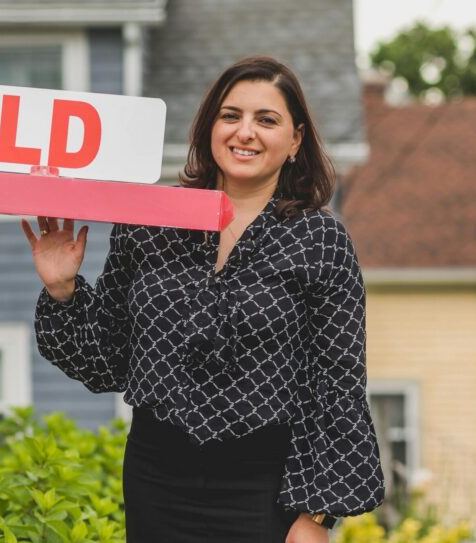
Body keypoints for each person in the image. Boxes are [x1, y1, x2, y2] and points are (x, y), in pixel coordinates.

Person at [21, 56, 384, 543]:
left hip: (262, 488)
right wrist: (62, 287)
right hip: (156, 478)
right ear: (209, 126)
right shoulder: (150, 222)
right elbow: (106, 360)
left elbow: (335, 384)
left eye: (266, 120)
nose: (245, 132)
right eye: (230, 116)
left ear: (295, 140)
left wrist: (316, 514)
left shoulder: (321, 241)